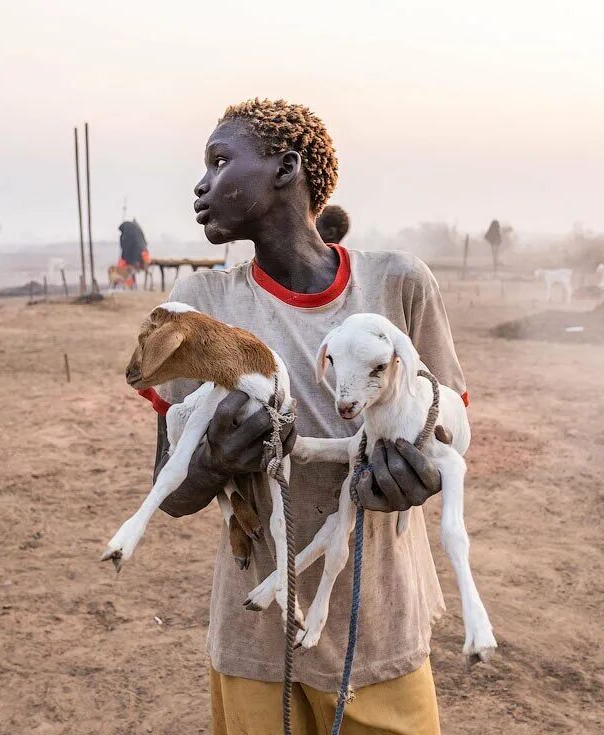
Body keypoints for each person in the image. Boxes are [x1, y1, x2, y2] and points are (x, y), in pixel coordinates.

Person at [145, 98, 469, 735]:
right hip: (255, 636)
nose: (202, 182)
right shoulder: (198, 306)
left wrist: (416, 478)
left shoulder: (398, 285)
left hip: (377, 628)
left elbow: (450, 434)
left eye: (219, 160)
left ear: (286, 168)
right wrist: (214, 459)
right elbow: (171, 490)